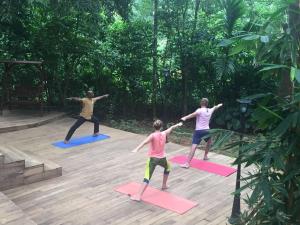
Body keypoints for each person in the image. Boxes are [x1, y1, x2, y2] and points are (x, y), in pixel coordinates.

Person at [130, 120, 183, 201]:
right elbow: (172, 127)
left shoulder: (153, 135)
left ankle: (138, 196)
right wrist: (178, 124)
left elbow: (144, 142)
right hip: (162, 159)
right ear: (161, 127)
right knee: (168, 167)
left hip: (153, 160)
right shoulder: (164, 133)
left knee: (147, 177)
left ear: (153, 126)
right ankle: (164, 185)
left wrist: (136, 149)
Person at [180, 98, 222, 168]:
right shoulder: (210, 110)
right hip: (207, 130)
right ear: (207, 104)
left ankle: (187, 163)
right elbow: (216, 107)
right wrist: (220, 105)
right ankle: (205, 156)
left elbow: (193, 114)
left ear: (201, 103)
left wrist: (185, 117)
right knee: (209, 142)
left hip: (199, 131)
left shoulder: (199, 110)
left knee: (194, 146)